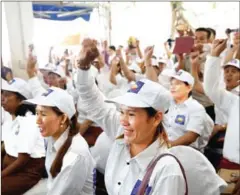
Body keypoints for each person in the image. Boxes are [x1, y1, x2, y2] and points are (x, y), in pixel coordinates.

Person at [76, 38, 187, 195]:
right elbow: (92, 100)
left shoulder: (166, 171)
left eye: (132, 114)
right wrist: (84, 67)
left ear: (156, 118)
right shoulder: (122, 133)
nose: (123, 120)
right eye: (122, 112)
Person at [24, 87, 96, 195]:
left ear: (63, 119)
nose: (37, 121)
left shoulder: (75, 154)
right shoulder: (51, 137)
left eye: (43, 114)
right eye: (37, 113)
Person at [204, 38, 240, 194]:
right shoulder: (235, 101)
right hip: (230, 166)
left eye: (234, 71)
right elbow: (211, 88)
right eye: (227, 71)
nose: (229, 74)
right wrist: (214, 56)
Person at [1, 78, 46, 195]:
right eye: (2, 94)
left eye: (7, 95)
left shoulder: (29, 121)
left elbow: (23, 159)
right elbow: (7, 144)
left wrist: (2, 174)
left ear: (21, 100)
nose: (2, 99)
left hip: (26, 170)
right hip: (11, 164)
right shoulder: (10, 117)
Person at [163, 70, 213, 152]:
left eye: (178, 84)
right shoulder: (167, 103)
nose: (172, 87)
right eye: (171, 84)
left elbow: (191, 136)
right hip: (165, 150)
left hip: (187, 154)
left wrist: (168, 146)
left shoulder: (196, 108)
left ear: (189, 87)